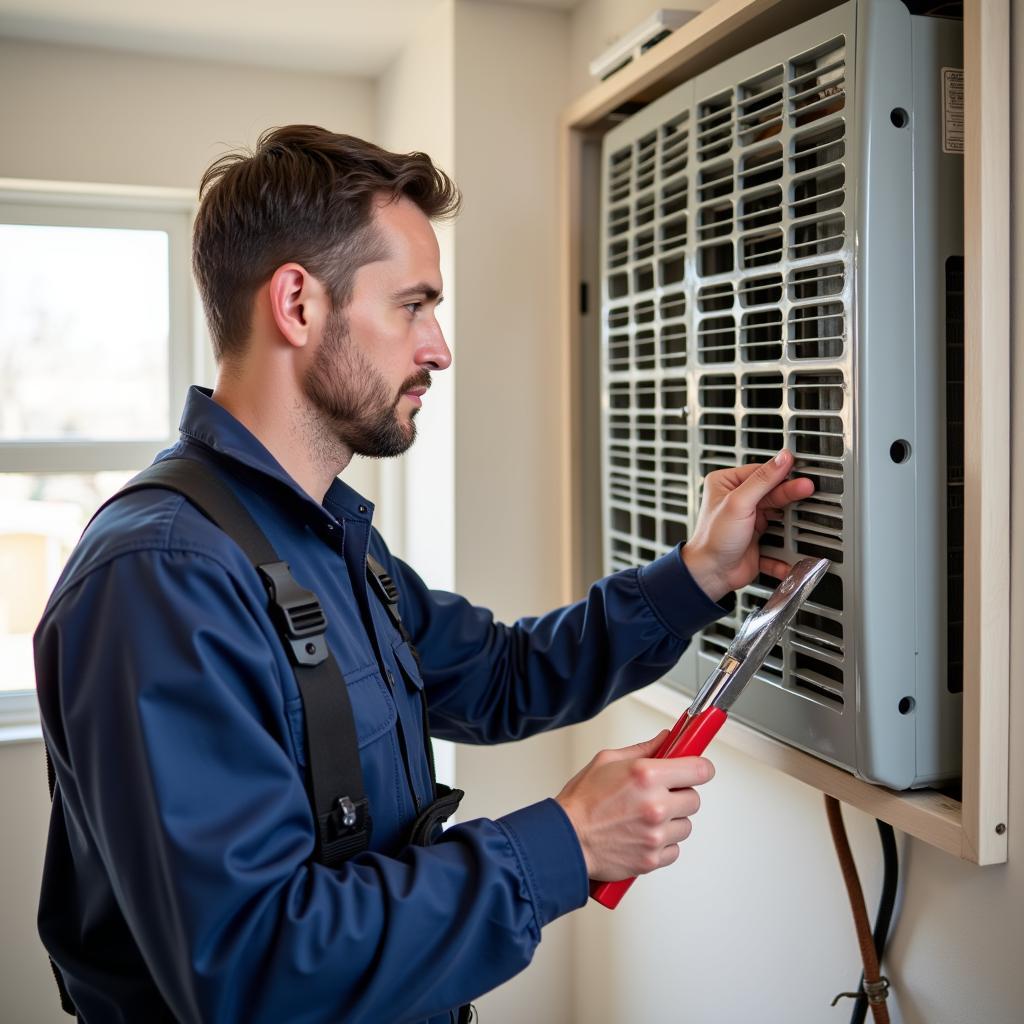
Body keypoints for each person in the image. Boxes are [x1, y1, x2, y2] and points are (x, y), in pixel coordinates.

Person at [36, 125, 815, 1024]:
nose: (438, 348)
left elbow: (502, 675)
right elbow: (253, 972)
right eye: (413, 306)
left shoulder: (324, 541)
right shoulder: (161, 579)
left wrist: (696, 575)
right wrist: (565, 841)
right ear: (297, 303)